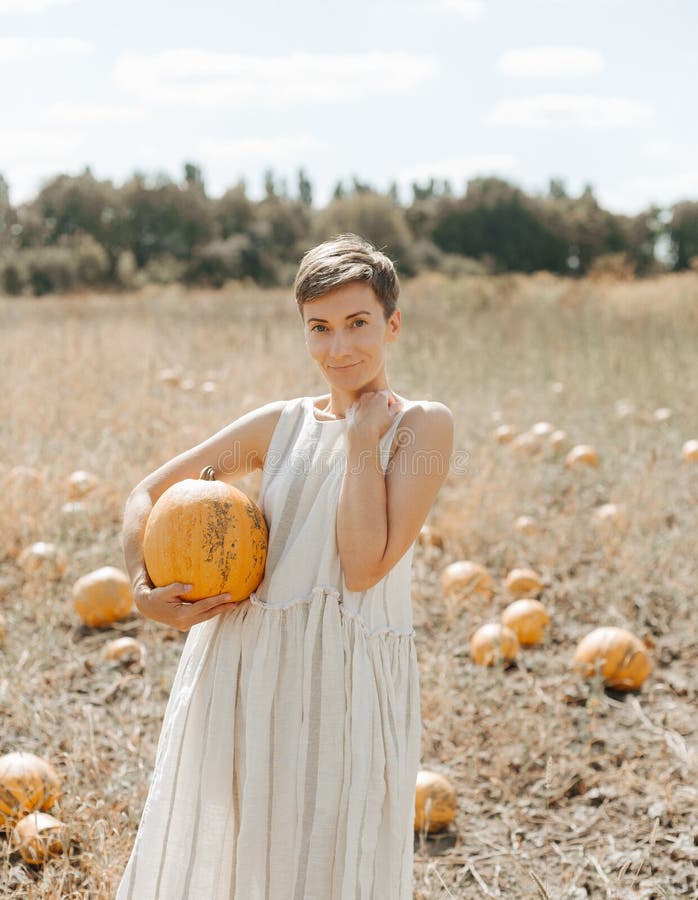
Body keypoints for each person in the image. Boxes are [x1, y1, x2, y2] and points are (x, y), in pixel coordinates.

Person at [115, 232, 454, 900]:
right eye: (319, 328)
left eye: (358, 324)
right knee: (239, 855)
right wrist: (140, 588)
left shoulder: (421, 428)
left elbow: (362, 568)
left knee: (326, 861)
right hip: (246, 665)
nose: (340, 348)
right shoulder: (281, 425)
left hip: (344, 679)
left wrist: (361, 441)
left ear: (392, 325)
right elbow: (146, 494)